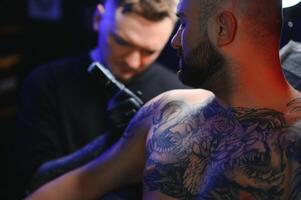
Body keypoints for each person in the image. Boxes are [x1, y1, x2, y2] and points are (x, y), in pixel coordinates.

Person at [26, 0, 301, 199]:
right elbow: (81, 184)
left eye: (184, 23)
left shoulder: (294, 141)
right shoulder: (167, 110)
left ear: (222, 29)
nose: (175, 42)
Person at [11, 0, 188, 199]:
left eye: (149, 51)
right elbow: (34, 182)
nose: (132, 61)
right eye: (122, 42)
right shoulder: (46, 82)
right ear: (97, 19)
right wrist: (116, 141)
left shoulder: (178, 92)